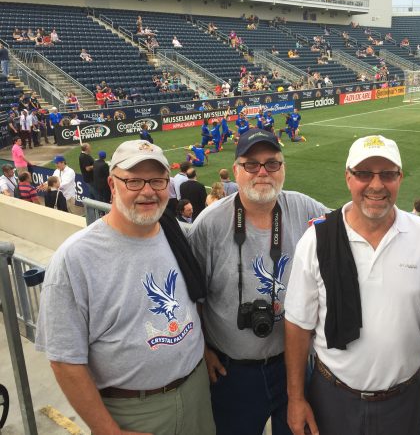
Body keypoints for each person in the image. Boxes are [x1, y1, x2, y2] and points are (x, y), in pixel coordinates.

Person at [36, 140, 216, 435]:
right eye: (134, 180)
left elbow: (191, 300)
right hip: (133, 411)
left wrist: (203, 350)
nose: (148, 191)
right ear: (112, 184)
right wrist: (108, 431)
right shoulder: (75, 258)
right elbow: (64, 360)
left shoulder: (172, 231)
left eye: (157, 181)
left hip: (197, 391)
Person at [284, 135, 420, 435]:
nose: (376, 185)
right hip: (332, 398)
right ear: (348, 177)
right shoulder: (316, 240)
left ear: (399, 177)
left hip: (406, 399)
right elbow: (297, 325)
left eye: (387, 174)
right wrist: (295, 398)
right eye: (364, 174)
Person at [187, 128, 328, 435]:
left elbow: (351, 229)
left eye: (272, 163)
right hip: (230, 372)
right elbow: (190, 295)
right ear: (236, 171)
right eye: (251, 164)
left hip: (292, 365)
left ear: (283, 169)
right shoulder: (209, 225)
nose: (262, 172)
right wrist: (202, 351)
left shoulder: (303, 208)